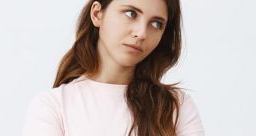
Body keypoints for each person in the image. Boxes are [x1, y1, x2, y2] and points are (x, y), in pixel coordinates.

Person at [22, 0, 205, 136]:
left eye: (156, 24)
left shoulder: (175, 106)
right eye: (131, 13)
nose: (141, 33)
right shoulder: (53, 107)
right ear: (97, 14)